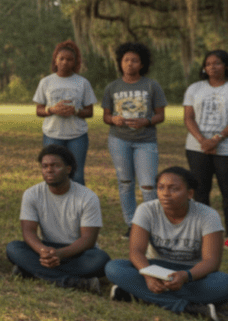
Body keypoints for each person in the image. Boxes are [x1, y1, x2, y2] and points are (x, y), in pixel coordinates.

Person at [106, 167, 228, 321]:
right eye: (161, 188)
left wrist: (185, 276)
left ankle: (138, 293)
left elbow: (212, 262)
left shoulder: (208, 216)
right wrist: (148, 276)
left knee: (224, 284)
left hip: (192, 274)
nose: (165, 193)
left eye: (174, 189)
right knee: (114, 268)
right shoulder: (146, 210)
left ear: (190, 193)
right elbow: (136, 251)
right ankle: (188, 307)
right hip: (156, 269)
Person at [6, 145, 110, 293]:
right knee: (14, 248)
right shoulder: (32, 194)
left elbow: (88, 239)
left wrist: (60, 254)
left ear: (68, 169)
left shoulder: (88, 197)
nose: (49, 170)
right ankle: (70, 281)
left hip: (77, 252)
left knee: (100, 260)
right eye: (45, 166)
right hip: (46, 248)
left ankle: (31, 270)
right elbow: (28, 232)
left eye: (55, 166)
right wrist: (43, 251)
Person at [101, 42, 167, 238]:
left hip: (145, 141)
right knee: (125, 183)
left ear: (142, 64)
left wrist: (146, 121)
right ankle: (132, 224)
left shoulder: (151, 85)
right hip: (119, 140)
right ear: (120, 62)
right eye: (126, 60)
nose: (130, 64)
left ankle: (151, 225)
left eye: (134, 60)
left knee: (147, 185)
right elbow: (105, 116)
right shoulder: (112, 87)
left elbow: (160, 115)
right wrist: (113, 119)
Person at [33, 40, 96, 186]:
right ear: (55, 60)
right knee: (53, 174)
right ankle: (55, 205)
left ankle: (79, 207)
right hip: (52, 134)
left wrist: (76, 111)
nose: (65, 62)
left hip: (77, 135)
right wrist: (52, 110)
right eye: (61, 58)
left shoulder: (82, 82)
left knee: (77, 174)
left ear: (75, 62)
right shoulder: (46, 82)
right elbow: (39, 110)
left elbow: (90, 111)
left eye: (69, 59)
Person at [183, 49, 228, 230]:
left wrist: (216, 139)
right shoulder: (195, 88)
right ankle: (206, 233)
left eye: (216, 63)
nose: (211, 67)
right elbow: (188, 118)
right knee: (200, 193)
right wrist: (203, 140)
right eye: (208, 64)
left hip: (225, 149)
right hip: (197, 148)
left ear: (225, 65)